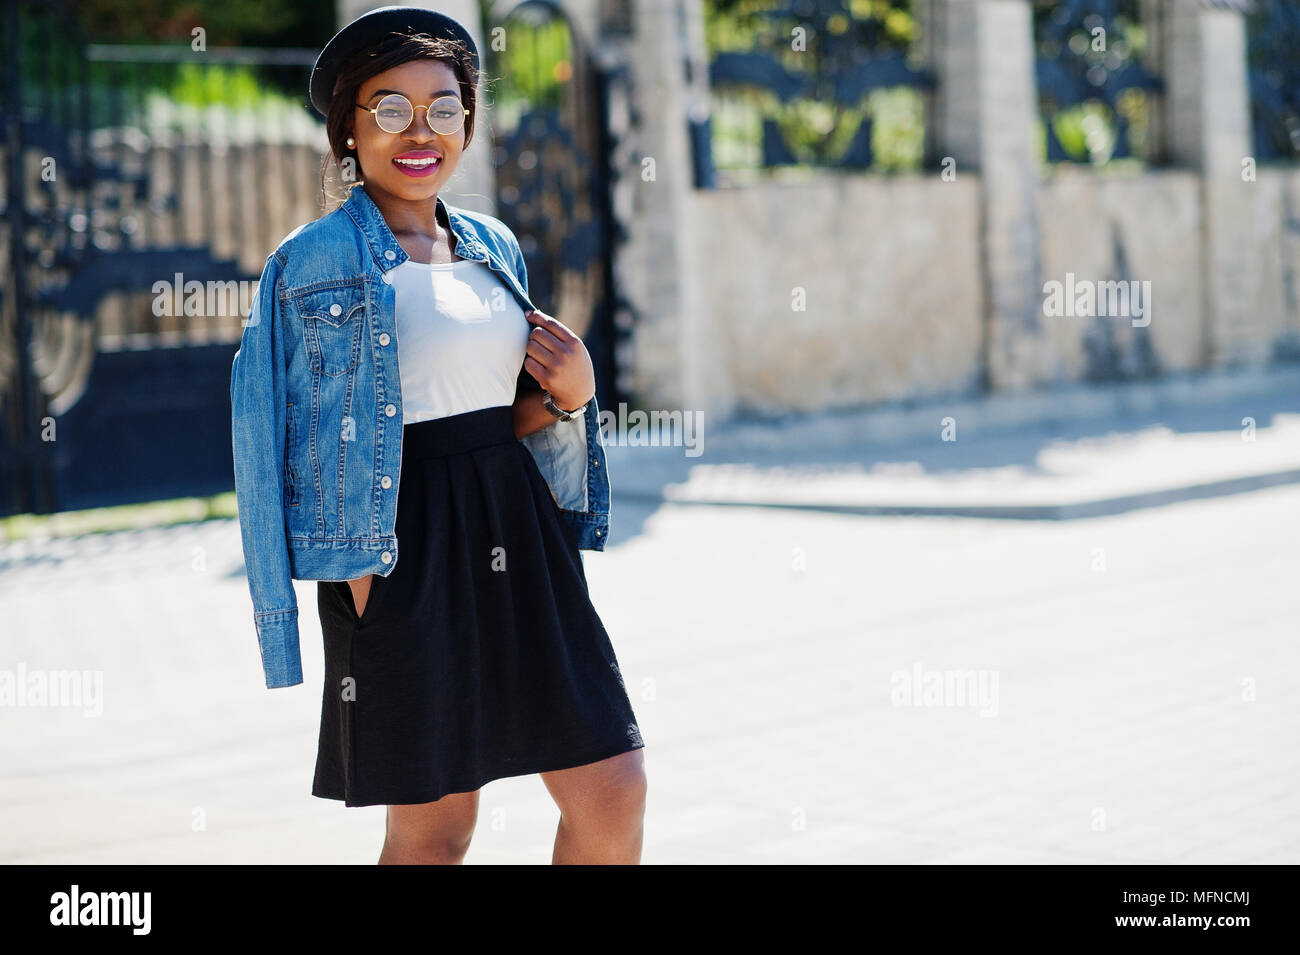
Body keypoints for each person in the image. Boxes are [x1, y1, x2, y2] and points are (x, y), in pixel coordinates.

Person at [229, 5, 646, 864]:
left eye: (444, 107)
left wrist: (572, 396)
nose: (420, 131)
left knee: (612, 786)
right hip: (397, 553)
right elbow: (262, 435)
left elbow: (500, 414)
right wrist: (351, 588)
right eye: (389, 109)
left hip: (518, 534)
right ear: (348, 127)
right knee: (437, 827)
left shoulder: (490, 243)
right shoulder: (309, 262)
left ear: (468, 119)